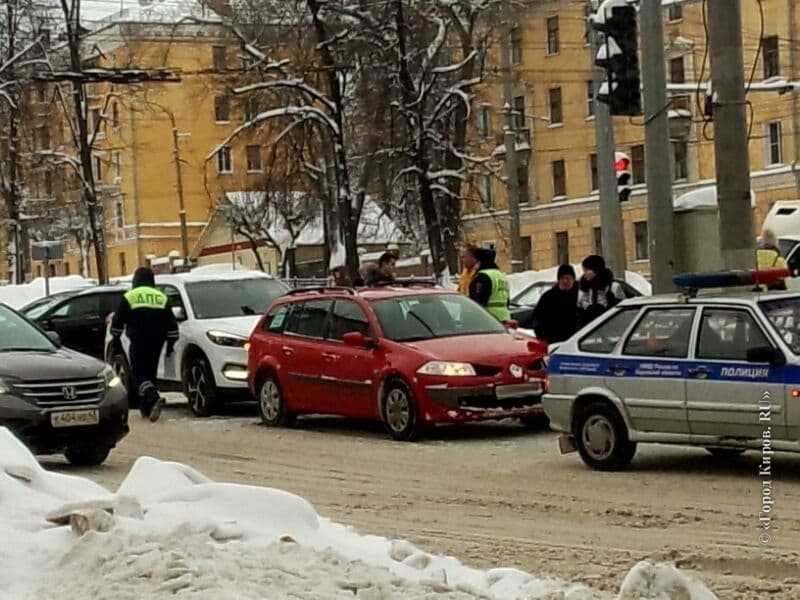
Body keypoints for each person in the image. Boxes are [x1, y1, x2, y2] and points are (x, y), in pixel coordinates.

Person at [110, 267, 179, 422]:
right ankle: (147, 408)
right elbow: (172, 324)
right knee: (150, 372)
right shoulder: (161, 297)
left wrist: (115, 340)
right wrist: (170, 344)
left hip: (139, 339)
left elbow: (118, 321)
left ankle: (152, 396)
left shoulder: (130, 296)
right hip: (157, 341)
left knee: (138, 375)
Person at [531, 264, 578, 343]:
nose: (565, 281)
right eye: (562, 278)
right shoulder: (548, 297)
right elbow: (537, 317)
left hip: (576, 342)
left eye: (568, 278)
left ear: (573, 279)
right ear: (558, 280)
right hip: (553, 342)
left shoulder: (580, 296)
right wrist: (542, 335)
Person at [576, 254, 625, 329]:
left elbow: (622, 312)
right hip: (588, 331)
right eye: (584, 270)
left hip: (609, 328)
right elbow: (579, 310)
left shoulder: (613, 287)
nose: (584, 273)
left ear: (595, 270)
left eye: (587, 270)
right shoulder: (583, 288)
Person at [469, 247, 510, 322]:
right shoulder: (500, 275)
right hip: (504, 318)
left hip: (489, 320)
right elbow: (507, 301)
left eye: (476, 261)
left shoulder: (482, 277)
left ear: (479, 262)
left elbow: (477, 302)